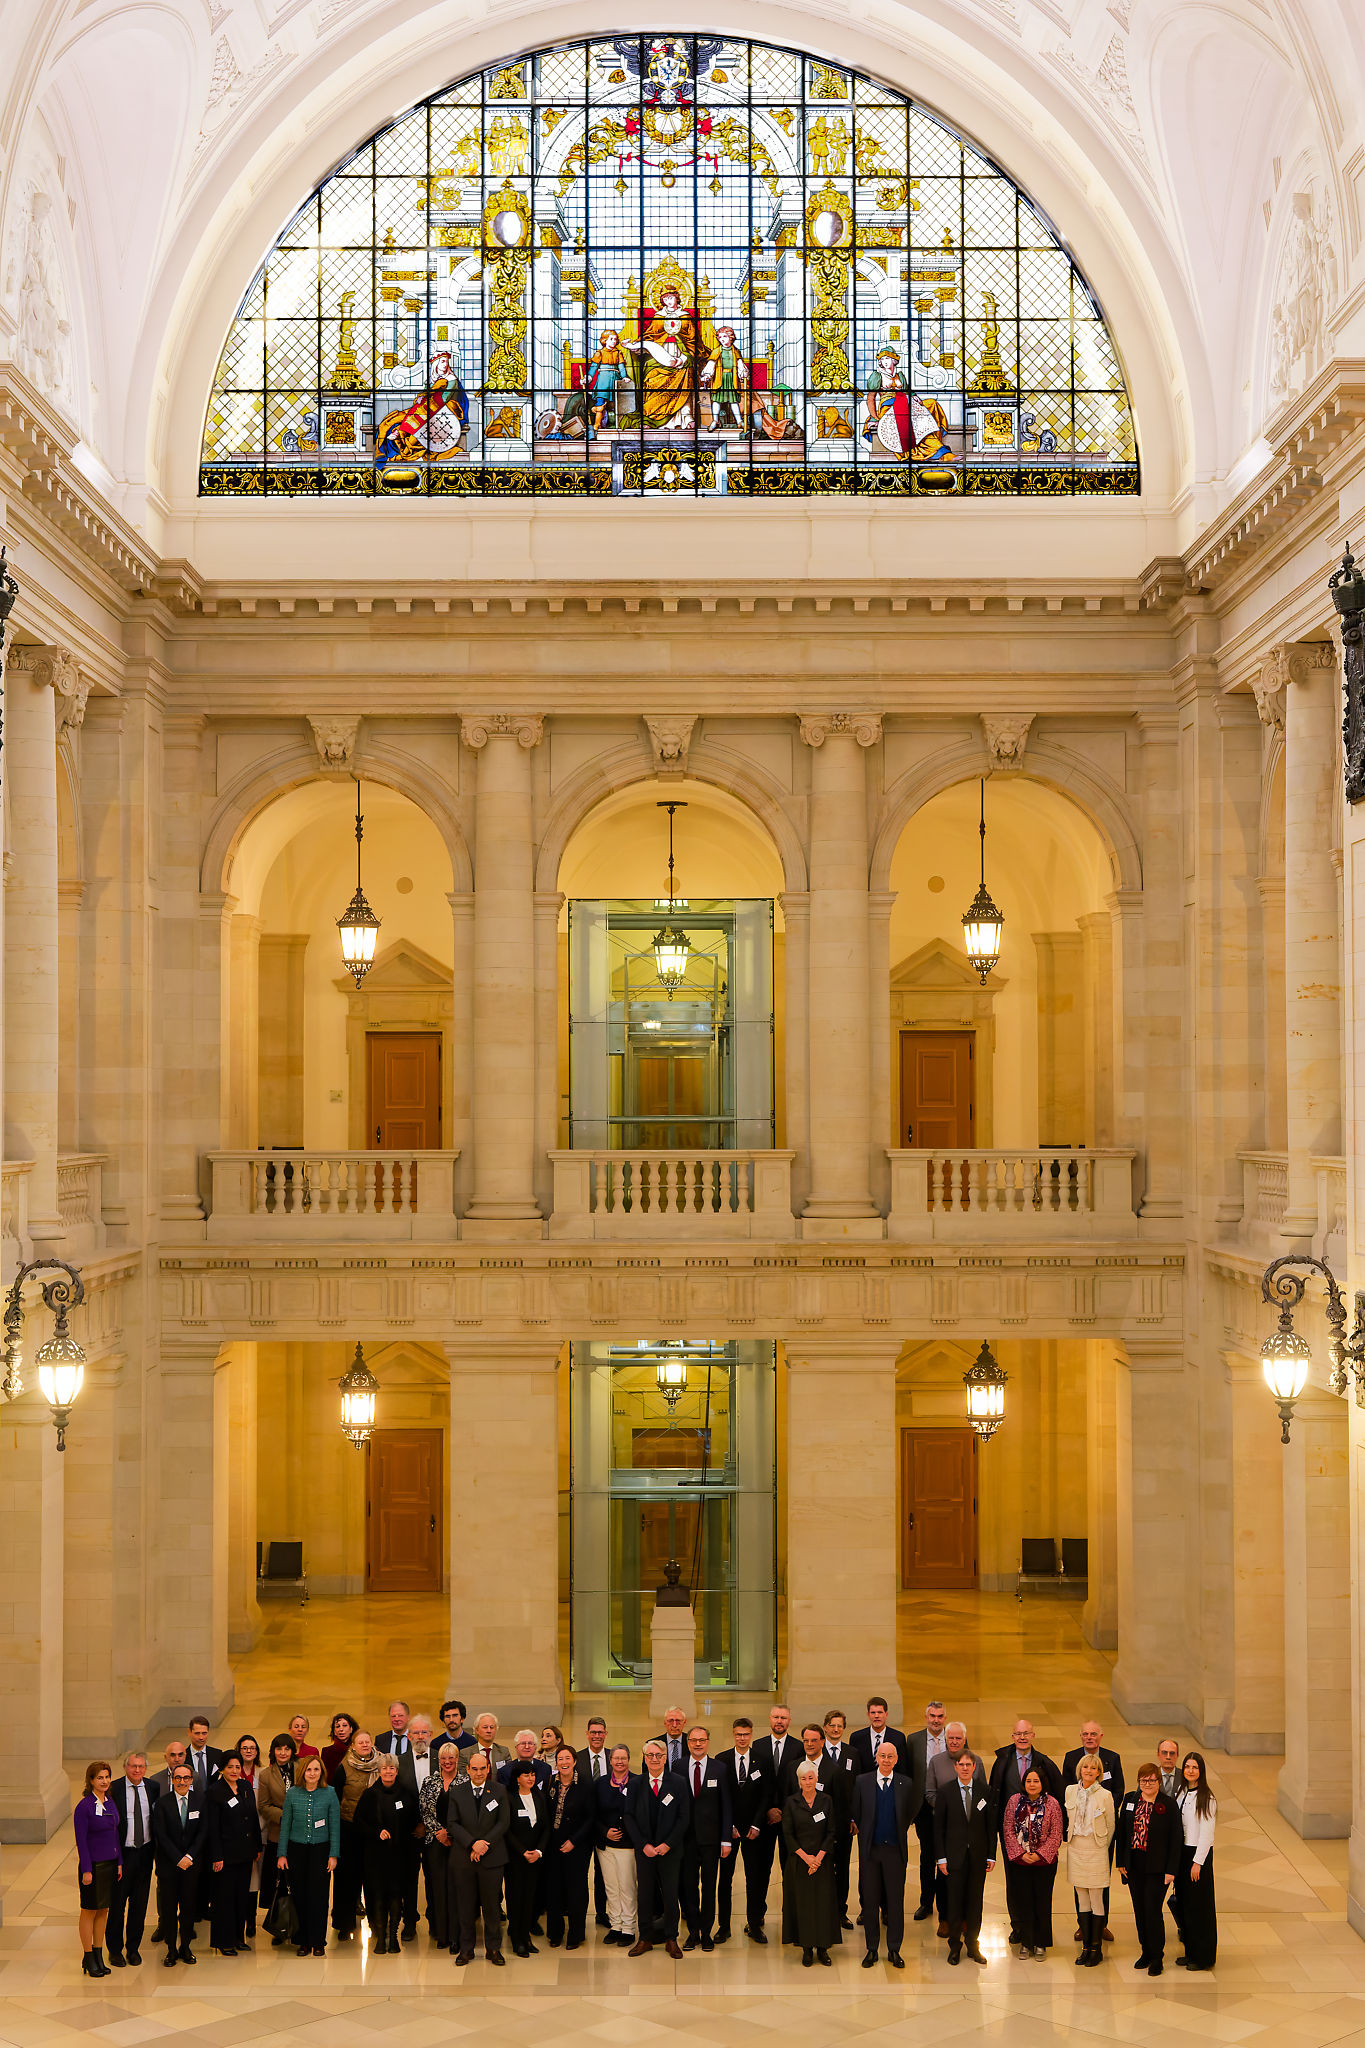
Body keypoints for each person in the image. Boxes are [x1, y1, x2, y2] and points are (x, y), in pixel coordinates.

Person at [850, 1740, 914, 1967]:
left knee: (896, 1903)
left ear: (896, 1760)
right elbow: (856, 1812)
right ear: (876, 1757)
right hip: (870, 1852)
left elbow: (910, 1812)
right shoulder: (862, 1781)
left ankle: (894, 1949)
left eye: (891, 1756)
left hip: (895, 1852)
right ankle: (872, 1948)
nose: (886, 1760)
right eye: (882, 1756)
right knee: (870, 1902)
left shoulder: (905, 1783)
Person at [444, 1748, 509, 1965]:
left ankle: (493, 1949)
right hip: (464, 1858)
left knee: (492, 1907)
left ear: (488, 1769)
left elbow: (503, 1823)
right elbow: (452, 1823)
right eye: (475, 1769)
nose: (479, 1773)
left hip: (492, 1858)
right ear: (468, 1770)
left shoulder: (499, 1791)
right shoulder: (457, 1792)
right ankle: (466, 1949)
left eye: (483, 1768)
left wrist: (483, 1845)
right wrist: (473, 1843)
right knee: (465, 1906)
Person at [1061, 1720, 1124, 1945]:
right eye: (1086, 1734)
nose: (1090, 1737)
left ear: (1101, 1736)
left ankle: (1101, 1925)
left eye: (1093, 1734)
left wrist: (1100, 1805)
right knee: (1081, 1886)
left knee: (1099, 1884)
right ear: (1081, 1736)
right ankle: (1083, 1926)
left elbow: (1118, 1790)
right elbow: (1067, 1793)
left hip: (1100, 1836)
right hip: (1078, 1843)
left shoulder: (1112, 1758)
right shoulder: (1070, 1758)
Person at [1115, 1764, 1178, 1975]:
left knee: (1152, 1911)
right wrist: (1121, 1861)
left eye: (1151, 1780)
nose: (1147, 1784)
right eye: (1143, 1780)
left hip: (1157, 1868)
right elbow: (1122, 1833)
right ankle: (1145, 1952)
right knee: (1139, 1910)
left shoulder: (1168, 1805)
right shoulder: (1131, 1800)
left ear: (1158, 1781)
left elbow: (1175, 1839)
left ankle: (1157, 1956)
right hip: (1134, 1865)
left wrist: (1171, 1870)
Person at [626, 1737, 686, 1957]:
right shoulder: (635, 1784)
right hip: (645, 1852)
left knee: (671, 1895)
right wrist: (643, 1845)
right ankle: (645, 1938)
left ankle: (671, 1938)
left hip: (669, 1852)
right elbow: (629, 1817)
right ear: (644, 1758)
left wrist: (667, 1844)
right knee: (645, 1895)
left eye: (658, 1755)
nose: (654, 1759)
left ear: (664, 1758)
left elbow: (684, 1817)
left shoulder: (678, 1782)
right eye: (650, 1755)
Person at [934, 1750, 995, 1966]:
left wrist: (991, 1854)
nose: (966, 1768)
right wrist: (941, 1858)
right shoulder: (945, 1792)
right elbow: (938, 1828)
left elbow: (991, 1825)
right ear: (956, 1767)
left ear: (975, 1767)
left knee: (975, 1902)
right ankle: (954, 1946)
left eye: (970, 1764)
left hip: (978, 1857)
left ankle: (973, 1945)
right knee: (955, 1902)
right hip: (953, 1858)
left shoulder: (985, 1791)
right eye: (962, 1764)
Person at [277, 1755, 340, 1956]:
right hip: (297, 1851)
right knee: (300, 1896)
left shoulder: (330, 1793)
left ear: (321, 1772)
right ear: (302, 1772)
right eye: (309, 1770)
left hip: (321, 1851)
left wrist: (333, 1855)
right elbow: (285, 1826)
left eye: (316, 1769)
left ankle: (318, 1940)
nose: (312, 1773)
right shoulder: (293, 1794)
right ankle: (302, 1940)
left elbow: (335, 1827)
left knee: (319, 1897)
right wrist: (282, 1854)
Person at [925, 1723, 984, 1937]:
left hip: (970, 1833)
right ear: (945, 1738)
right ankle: (945, 1919)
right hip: (947, 1831)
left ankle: (966, 1920)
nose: (954, 1741)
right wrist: (948, 1808)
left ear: (964, 1739)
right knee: (945, 1879)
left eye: (958, 1738)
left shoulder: (975, 1761)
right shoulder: (936, 1761)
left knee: (969, 1880)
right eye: (950, 1738)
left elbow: (983, 1795)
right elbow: (930, 1792)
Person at [781, 1760, 840, 1966]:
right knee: (804, 1905)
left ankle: (823, 1948)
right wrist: (806, 1858)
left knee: (823, 1905)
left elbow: (831, 1831)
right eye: (803, 1778)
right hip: (799, 1863)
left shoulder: (827, 1800)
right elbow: (787, 1834)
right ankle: (806, 1949)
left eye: (811, 1777)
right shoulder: (791, 1802)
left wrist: (819, 1858)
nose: (807, 1782)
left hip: (822, 1862)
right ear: (798, 1781)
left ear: (817, 1779)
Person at [1000, 1766, 1063, 1958]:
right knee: (1023, 1902)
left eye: (1036, 1781)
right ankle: (1026, 1942)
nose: (1032, 1784)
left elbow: (1056, 1833)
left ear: (1042, 1783)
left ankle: (1041, 1943)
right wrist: (1021, 1854)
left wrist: (1040, 1854)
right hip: (1021, 1862)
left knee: (1042, 1902)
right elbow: (1008, 1830)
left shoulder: (1052, 1803)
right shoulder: (1014, 1801)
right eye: (1029, 1781)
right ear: (1023, 1783)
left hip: (1044, 1863)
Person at [679, 1724, 732, 1951]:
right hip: (686, 1840)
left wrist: (726, 1839)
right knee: (689, 1887)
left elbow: (726, 1805)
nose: (697, 1744)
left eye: (702, 1740)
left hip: (712, 1841)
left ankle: (707, 1932)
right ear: (688, 1742)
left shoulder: (720, 1768)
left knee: (710, 1887)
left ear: (708, 1742)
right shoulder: (678, 1766)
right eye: (693, 1740)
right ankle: (692, 1932)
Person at [716, 1716, 767, 1945]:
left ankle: (755, 1925)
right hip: (730, 1831)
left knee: (754, 1879)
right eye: (738, 1734)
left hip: (754, 1832)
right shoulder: (721, 1760)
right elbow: (720, 1798)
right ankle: (724, 1927)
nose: (742, 1738)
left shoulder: (762, 1760)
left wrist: (757, 1824)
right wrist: (729, 1827)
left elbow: (766, 1796)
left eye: (746, 1734)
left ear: (751, 1734)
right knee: (725, 1880)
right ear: (733, 1734)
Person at [206, 1754, 261, 1955]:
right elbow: (213, 1828)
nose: (235, 1770)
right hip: (225, 1856)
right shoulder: (214, 1792)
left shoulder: (245, 1787)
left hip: (245, 1853)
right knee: (225, 1899)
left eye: (237, 1767)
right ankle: (224, 1941)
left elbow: (253, 1818)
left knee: (241, 1898)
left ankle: (239, 1938)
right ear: (222, 1769)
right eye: (230, 1767)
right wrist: (216, 1856)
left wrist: (256, 1847)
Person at [151, 1762, 205, 1968]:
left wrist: (190, 1856)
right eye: (178, 1778)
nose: (182, 1782)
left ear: (191, 1781)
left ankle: (186, 1948)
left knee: (189, 1908)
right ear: (172, 1780)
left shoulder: (200, 1801)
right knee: (169, 1909)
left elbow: (203, 1832)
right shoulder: (162, 1803)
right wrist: (178, 1858)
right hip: (169, 1867)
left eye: (186, 1778)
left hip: (191, 1866)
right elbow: (161, 1836)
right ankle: (171, 1949)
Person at [355, 1753, 411, 1953]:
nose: (388, 1771)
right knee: (378, 1895)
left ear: (397, 1771)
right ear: (379, 1771)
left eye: (392, 1768)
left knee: (396, 1894)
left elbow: (413, 1821)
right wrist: (377, 1831)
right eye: (385, 1768)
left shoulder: (405, 1794)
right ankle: (380, 1935)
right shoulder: (370, 1794)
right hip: (375, 1856)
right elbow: (359, 1822)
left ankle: (394, 1935)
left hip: (398, 1855)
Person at [106, 1751, 157, 1968]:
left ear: (146, 1768)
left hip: (144, 1854)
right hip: (122, 1855)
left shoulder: (153, 1788)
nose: (137, 1770)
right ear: (125, 1767)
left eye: (141, 1766)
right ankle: (115, 1950)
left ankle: (133, 1948)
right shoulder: (114, 1788)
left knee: (139, 1905)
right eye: (133, 1766)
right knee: (117, 1906)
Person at [1066, 1751, 1116, 1966]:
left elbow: (1111, 1825)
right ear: (1080, 1770)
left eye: (1093, 1768)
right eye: (1085, 1767)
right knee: (1082, 1898)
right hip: (1076, 1848)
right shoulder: (1070, 1791)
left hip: (1095, 1849)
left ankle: (1096, 1948)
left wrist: (1100, 1845)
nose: (1089, 1771)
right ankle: (1086, 1947)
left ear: (1099, 1773)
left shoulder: (1105, 1795)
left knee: (1096, 1899)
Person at [750, 1706, 798, 1929]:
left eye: (784, 1718)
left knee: (791, 1869)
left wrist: (783, 1810)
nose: (779, 1721)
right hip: (765, 1819)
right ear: (769, 1719)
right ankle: (757, 1917)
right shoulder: (757, 1746)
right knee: (761, 1870)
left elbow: (799, 1785)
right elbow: (757, 1785)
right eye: (776, 1717)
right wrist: (769, 1809)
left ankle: (791, 1917)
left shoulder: (798, 1747)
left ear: (789, 1721)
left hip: (790, 1819)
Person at [332, 1728, 382, 1938]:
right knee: (347, 1878)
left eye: (367, 1741)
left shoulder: (381, 1764)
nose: (364, 1745)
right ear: (352, 1745)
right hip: (349, 1828)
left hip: (372, 1829)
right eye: (359, 1742)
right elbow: (335, 1799)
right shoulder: (343, 1768)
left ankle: (377, 1922)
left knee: (373, 1877)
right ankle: (344, 1924)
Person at [74, 1760, 122, 1977]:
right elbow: (81, 1841)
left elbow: (115, 1834)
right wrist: (86, 1870)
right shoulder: (83, 1807)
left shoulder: (110, 1801)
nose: (104, 1781)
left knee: (104, 1909)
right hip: (92, 1867)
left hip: (111, 1864)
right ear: (91, 1781)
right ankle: (87, 1956)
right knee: (89, 1910)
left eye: (107, 1777)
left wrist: (119, 1861)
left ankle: (99, 1953)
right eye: (100, 1777)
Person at [545, 1743, 594, 1950]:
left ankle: (575, 1934)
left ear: (574, 1761)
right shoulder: (550, 1782)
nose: (563, 1762)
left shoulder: (585, 1784)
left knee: (576, 1891)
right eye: (560, 1759)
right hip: (553, 1846)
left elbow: (591, 1818)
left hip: (577, 1846)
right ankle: (555, 1933)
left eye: (567, 1758)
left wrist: (574, 1841)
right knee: (554, 1890)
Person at [1175, 1752, 1217, 1970]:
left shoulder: (1207, 1798)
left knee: (1199, 1908)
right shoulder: (1182, 1792)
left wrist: (1197, 1863)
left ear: (1201, 1771)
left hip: (1197, 1856)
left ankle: (1203, 1956)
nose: (1191, 1771)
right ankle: (1190, 1951)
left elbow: (1207, 1835)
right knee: (1185, 1906)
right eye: (1187, 1766)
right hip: (1182, 1854)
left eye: (1195, 1767)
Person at [420, 1740, 464, 1949]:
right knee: (437, 1888)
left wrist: (451, 1833)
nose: (447, 1762)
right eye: (443, 1758)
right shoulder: (430, 1781)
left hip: (458, 1843)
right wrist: (439, 1832)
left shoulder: (465, 1782)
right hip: (435, 1842)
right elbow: (424, 1811)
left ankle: (456, 1936)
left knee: (457, 1888)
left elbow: (467, 1814)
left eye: (451, 1758)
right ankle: (441, 1934)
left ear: (457, 1759)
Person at [504, 1760, 551, 1955]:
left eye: (532, 1774)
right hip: (516, 1858)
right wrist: (523, 1851)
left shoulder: (539, 1796)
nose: (531, 1778)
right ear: (517, 1779)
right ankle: (517, 1939)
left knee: (530, 1898)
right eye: (526, 1775)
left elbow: (546, 1826)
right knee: (516, 1899)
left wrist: (538, 1851)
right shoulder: (509, 1798)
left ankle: (526, 1938)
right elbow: (506, 1830)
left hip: (535, 1858)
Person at [902, 1702, 942, 1923]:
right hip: (923, 1807)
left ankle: (945, 1902)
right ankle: (926, 1902)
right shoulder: (914, 1740)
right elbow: (908, 1775)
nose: (936, 1720)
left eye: (940, 1716)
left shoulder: (954, 1737)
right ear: (926, 1717)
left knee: (946, 1854)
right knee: (927, 1855)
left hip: (947, 1805)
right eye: (932, 1716)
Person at [596, 1743, 639, 1947]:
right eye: (616, 1758)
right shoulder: (601, 1784)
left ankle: (629, 1928)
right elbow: (593, 1814)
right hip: (605, 1846)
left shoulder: (638, 1782)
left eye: (623, 1758)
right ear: (610, 1761)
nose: (619, 1761)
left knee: (627, 1887)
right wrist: (605, 1831)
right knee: (611, 1887)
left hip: (628, 1845)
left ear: (628, 1760)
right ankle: (615, 1925)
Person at [147, 1741, 188, 1947]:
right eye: (172, 1755)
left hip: (187, 1846)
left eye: (181, 1754)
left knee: (187, 1886)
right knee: (163, 1886)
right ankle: (164, 1922)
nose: (177, 1758)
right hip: (163, 1846)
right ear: (165, 1757)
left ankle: (185, 1924)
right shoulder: (155, 1782)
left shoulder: (194, 1778)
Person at [257, 1734, 297, 1936]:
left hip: (300, 1833)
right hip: (278, 1833)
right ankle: (279, 1927)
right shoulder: (265, 1775)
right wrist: (286, 1816)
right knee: (279, 1883)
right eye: (279, 1749)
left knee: (298, 1881)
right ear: (273, 1751)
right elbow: (263, 1806)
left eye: (287, 1749)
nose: (283, 1753)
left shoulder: (302, 1769)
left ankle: (298, 1925)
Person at [822, 1711, 860, 1926]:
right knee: (824, 1866)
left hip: (846, 1822)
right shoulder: (816, 1752)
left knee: (843, 1868)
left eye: (839, 1726)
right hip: (822, 1822)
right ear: (825, 1727)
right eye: (832, 1725)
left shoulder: (852, 1753)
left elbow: (857, 1788)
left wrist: (854, 1818)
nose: (836, 1729)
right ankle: (824, 1911)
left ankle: (840, 1911)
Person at [401, 1715, 436, 1940]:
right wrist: (415, 1824)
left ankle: (436, 1920)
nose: (420, 1736)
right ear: (409, 1736)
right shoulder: (399, 1760)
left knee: (434, 1877)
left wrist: (428, 1824)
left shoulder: (441, 1760)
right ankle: (410, 1922)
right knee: (408, 1879)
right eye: (415, 1733)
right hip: (409, 1832)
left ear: (431, 1735)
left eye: (424, 1732)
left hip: (435, 1832)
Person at [576, 1714, 611, 1926]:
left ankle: (601, 1913)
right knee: (580, 1873)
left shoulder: (613, 1756)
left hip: (604, 1826)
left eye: (600, 1732)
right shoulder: (577, 1758)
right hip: (582, 1826)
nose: (596, 1736)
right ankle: (577, 1912)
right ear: (587, 1734)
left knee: (602, 1873)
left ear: (605, 1735)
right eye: (593, 1732)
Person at [850, 1697, 910, 1775]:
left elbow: (902, 1769)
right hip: (864, 1785)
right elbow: (854, 1768)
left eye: (880, 1712)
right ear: (868, 1714)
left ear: (886, 1714)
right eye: (873, 1712)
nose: (876, 1716)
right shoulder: (856, 1738)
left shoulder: (898, 1737)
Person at [498, 1727, 554, 1793]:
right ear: (516, 1747)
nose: (527, 1747)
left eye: (530, 1743)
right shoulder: (505, 1771)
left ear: (535, 1747)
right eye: (523, 1743)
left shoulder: (546, 1768)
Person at [320, 1712, 358, 1783]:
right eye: (337, 1726)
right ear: (334, 1731)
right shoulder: (327, 1752)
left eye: (344, 1725)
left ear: (351, 1729)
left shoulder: (358, 1750)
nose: (341, 1729)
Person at [658, 1705, 688, 1775]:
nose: (674, 1725)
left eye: (678, 1721)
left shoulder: (693, 1743)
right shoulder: (654, 1744)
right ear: (665, 1722)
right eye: (670, 1721)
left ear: (684, 1722)